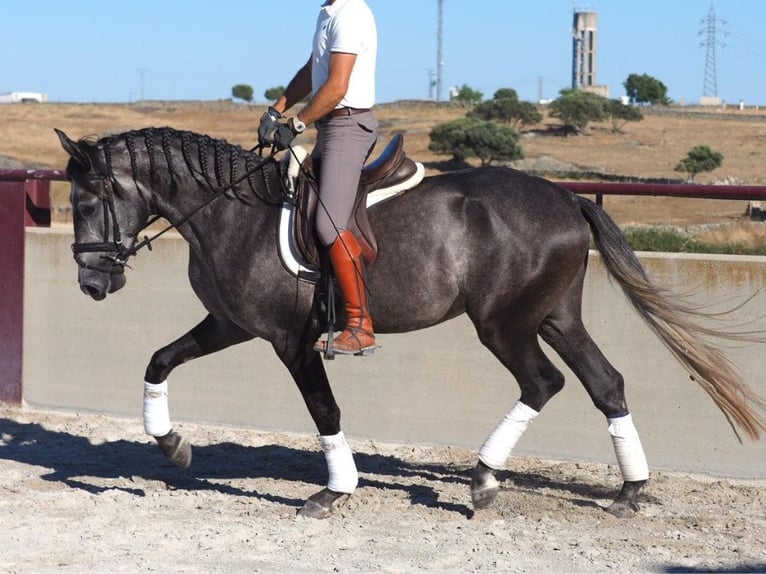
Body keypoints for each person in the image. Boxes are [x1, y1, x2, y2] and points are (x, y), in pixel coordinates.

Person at [258, 0, 378, 357]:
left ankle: (360, 325)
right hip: (331, 127)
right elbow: (314, 71)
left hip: (348, 126)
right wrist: (277, 108)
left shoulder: (351, 14)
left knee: (328, 224)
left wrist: (296, 124)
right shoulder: (328, 13)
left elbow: (337, 86)